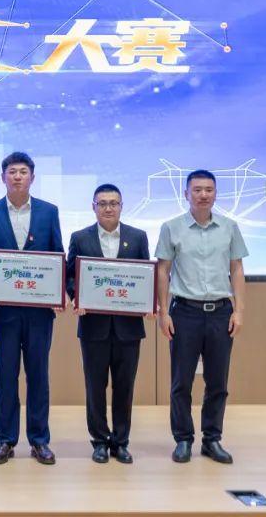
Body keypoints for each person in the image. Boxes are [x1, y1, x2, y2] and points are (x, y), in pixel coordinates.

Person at [0, 152, 63, 466]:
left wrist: (60, 292)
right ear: (3, 177)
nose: (17, 176)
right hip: (4, 310)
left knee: (39, 375)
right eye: (12, 171)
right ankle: (5, 440)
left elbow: (57, 254)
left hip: (39, 311)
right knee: (6, 375)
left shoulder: (49, 212)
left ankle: (39, 440)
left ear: (32, 177)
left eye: (23, 171)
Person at [155, 169, 247, 465]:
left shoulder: (230, 227)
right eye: (197, 190)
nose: (203, 194)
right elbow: (162, 271)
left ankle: (212, 439)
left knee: (217, 381)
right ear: (186, 194)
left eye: (209, 189)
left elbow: (236, 269)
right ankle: (183, 439)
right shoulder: (171, 228)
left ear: (216, 193)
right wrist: (163, 312)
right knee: (181, 382)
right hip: (184, 313)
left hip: (221, 313)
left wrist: (239, 310)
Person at [65, 184, 150, 464]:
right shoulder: (80, 238)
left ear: (122, 206)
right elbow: (69, 276)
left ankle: (121, 442)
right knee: (95, 387)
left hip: (129, 328)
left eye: (114, 203)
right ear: (93, 207)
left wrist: (147, 303)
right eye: (102, 203)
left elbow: (144, 276)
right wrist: (77, 297)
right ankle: (100, 441)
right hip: (93, 327)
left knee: (125, 387)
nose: (108, 208)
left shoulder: (138, 237)